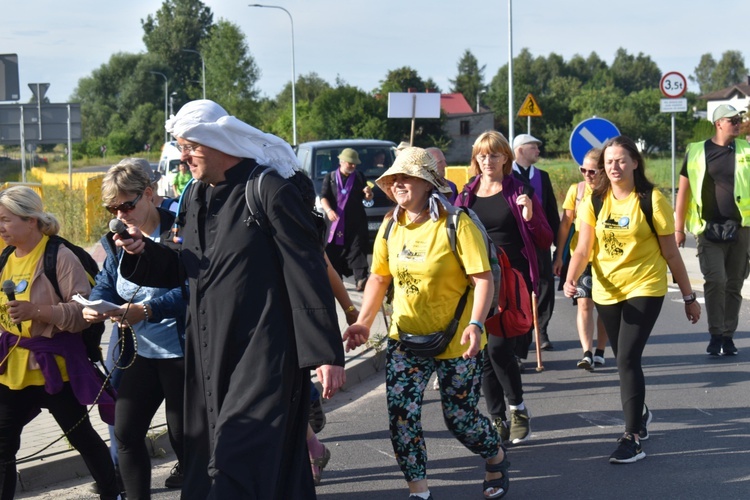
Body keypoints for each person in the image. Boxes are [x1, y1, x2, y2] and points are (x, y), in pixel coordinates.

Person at [114, 99, 346, 498]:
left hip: (265, 352)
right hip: (208, 353)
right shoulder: (194, 196)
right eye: (180, 147)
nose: (183, 157)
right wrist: (142, 252)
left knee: (237, 462)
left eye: (190, 147)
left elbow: (306, 269)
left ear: (216, 140)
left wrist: (326, 352)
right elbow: (184, 263)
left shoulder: (269, 189)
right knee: (240, 468)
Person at [343, 147, 509, 500]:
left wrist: (476, 324)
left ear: (426, 182)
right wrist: (363, 321)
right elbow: (378, 279)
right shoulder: (391, 225)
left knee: (460, 419)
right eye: (394, 179)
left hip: (457, 340)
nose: (398, 184)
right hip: (405, 338)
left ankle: (494, 455)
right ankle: (418, 490)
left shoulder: (456, 223)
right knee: (402, 415)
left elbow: (482, 279)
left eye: (406, 177)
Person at [563, 135, 701, 464]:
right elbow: (583, 247)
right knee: (624, 359)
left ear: (635, 163)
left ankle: (632, 437)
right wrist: (569, 277)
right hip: (606, 289)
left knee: (626, 358)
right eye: (609, 161)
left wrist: (688, 296)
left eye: (621, 160)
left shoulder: (651, 199)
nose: (614, 166)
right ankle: (638, 410)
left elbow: (670, 252)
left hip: (645, 286)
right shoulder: (594, 200)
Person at [0, 186, 119, 500]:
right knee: (2, 442)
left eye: (6, 221)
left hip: (57, 369)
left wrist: (37, 311)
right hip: (14, 368)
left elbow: (84, 312)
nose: (0, 228)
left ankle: (112, 490)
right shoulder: (6, 258)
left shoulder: (60, 256)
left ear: (31, 220)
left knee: (80, 436)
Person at [82, 159, 187, 498]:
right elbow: (106, 282)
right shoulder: (116, 238)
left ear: (149, 195)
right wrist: (96, 307)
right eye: (113, 208)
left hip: (182, 351)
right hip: (138, 352)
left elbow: (195, 289)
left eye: (127, 205)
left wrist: (148, 309)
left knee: (185, 438)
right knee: (126, 433)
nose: (121, 214)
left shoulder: (179, 230)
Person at [455, 130, 553, 446]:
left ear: (505, 158)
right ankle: (497, 419)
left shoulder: (520, 191)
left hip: (512, 280)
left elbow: (544, 239)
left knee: (498, 348)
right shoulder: (466, 194)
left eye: (494, 155)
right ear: (476, 159)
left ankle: (517, 408)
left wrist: (529, 216)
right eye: (482, 155)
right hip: (480, 280)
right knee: (484, 353)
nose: (487, 160)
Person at [675, 104, 750, 356]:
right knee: (716, 280)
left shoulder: (747, 151)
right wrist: (678, 228)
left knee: (734, 285)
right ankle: (715, 333)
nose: (738, 123)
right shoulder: (697, 151)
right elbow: (683, 191)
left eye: (739, 119)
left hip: (740, 230)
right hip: (708, 229)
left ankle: (728, 336)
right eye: (733, 120)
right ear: (718, 123)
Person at [553, 149, 609, 370]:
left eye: (592, 170)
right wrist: (558, 256)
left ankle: (600, 350)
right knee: (584, 303)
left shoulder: (611, 192)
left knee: (604, 307)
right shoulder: (576, 191)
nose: (587, 174)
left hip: (606, 259)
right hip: (581, 256)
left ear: (602, 170)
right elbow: (565, 225)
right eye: (583, 169)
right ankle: (586, 352)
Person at [512, 134, 559, 351]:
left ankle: (541, 328)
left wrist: (558, 245)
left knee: (545, 285)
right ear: (520, 150)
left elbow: (551, 212)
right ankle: (520, 331)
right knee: (519, 286)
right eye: (534, 147)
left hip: (540, 241)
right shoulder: (506, 175)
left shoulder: (543, 176)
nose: (538, 151)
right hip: (516, 243)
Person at [319, 148, 373, 291]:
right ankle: (336, 281)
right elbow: (323, 197)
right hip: (335, 223)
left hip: (356, 223)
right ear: (342, 162)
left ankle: (361, 279)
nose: (353, 166)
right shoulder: (330, 178)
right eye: (351, 164)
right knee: (334, 252)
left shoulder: (359, 176)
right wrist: (329, 210)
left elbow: (367, 197)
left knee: (358, 249)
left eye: (355, 164)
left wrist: (368, 194)